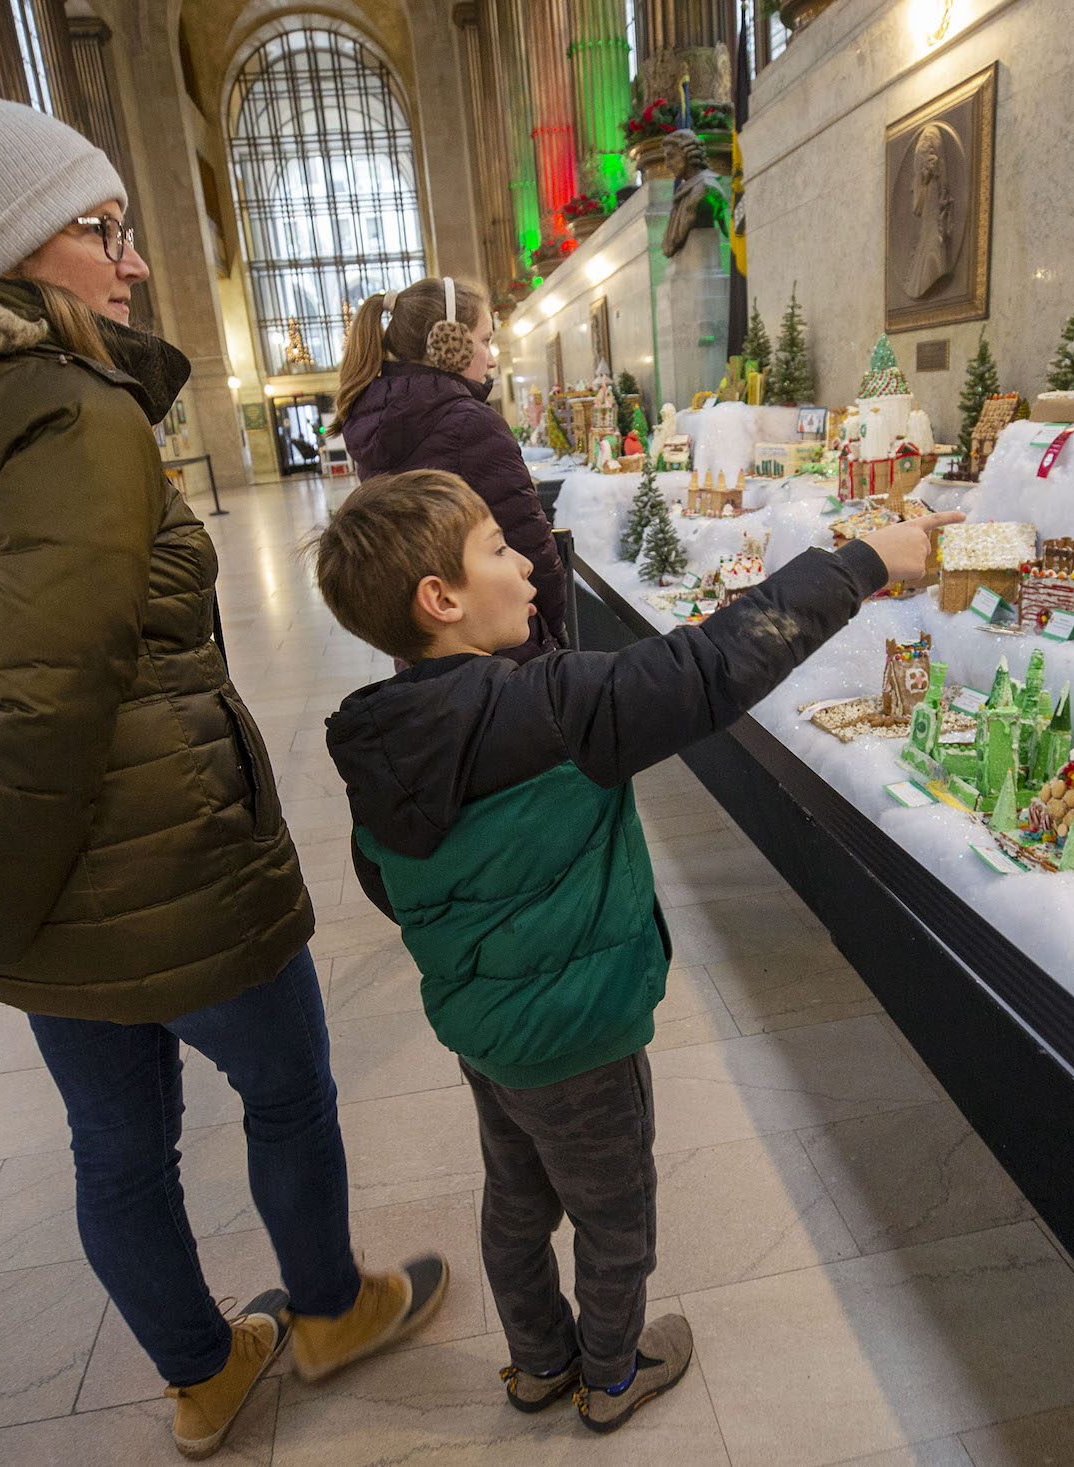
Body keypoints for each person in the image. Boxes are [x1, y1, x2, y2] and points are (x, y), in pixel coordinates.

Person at [0, 93, 444, 1462]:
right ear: (13, 246)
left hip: (9, 872)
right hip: (160, 861)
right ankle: (328, 1310)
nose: (129, 262)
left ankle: (201, 1375)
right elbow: (50, 699)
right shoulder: (64, 405)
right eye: (99, 228)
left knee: (115, 1143)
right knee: (286, 1088)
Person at [315, 468, 959, 1432]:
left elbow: (380, 881)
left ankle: (538, 1362)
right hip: (582, 1037)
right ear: (439, 599)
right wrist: (863, 561)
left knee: (516, 1198)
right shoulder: (554, 707)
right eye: (498, 547)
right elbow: (714, 665)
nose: (527, 558)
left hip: (486, 1035)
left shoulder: (378, 742)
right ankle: (611, 1374)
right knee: (616, 1214)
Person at [336, 276, 567, 663]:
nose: (492, 358)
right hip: (496, 637)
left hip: (425, 637)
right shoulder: (471, 423)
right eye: (485, 340)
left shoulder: (371, 418)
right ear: (449, 343)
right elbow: (530, 543)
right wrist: (558, 623)